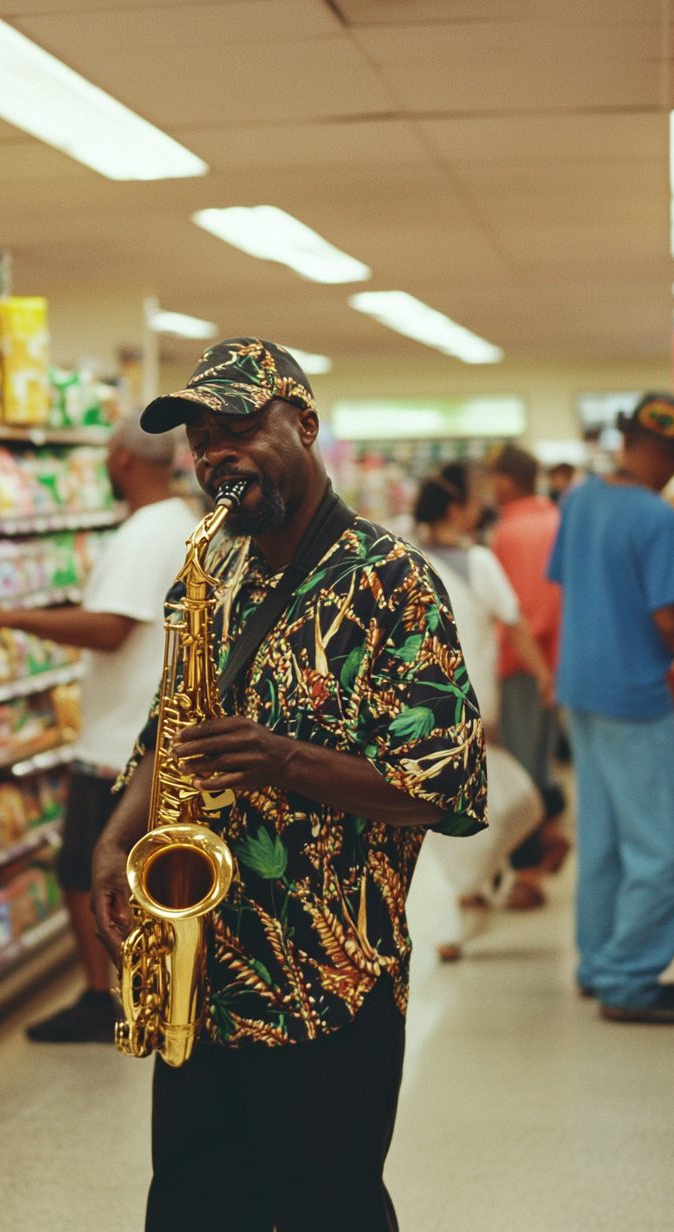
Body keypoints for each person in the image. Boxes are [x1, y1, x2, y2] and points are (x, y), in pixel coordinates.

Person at [91, 338, 487, 1232]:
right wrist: (118, 837)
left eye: (237, 429)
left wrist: (282, 760)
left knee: (328, 1208)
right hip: (204, 960)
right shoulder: (216, 567)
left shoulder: (394, 583)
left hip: (331, 978)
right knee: (192, 1203)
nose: (214, 456)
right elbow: (169, 725)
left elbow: (446, 785)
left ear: (305, 426)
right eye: (200, 439)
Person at [0, 413, 197, 1042]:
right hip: (142, 732)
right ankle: (138, 989)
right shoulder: (180, 522)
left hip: (119, 742)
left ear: (120, 458)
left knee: (87, 871)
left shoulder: (144, 533)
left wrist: (7, 617)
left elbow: (110, 629)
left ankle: (105, 998)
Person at [547, 392, 674, 1024]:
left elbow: (571, 583)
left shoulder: (579, 499)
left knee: (608, 840)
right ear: (666, 450)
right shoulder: (656, 516)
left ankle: (598, 963)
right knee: (670, 851)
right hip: (633, 696)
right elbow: (669, 619)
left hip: (580, 688)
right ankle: (627, 979)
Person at [416, 465, 548, 958]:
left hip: (422, 709)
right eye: (476, 498)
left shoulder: (404, 557)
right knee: (502, 798)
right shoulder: (478, 562)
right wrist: (542, 673)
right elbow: (513, 623)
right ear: (457, 507)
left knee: (446, 805)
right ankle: (466, 898)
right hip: (474, 701)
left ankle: (470, 891)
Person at [488, 444, 567, 907]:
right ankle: (552, 835)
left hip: (522, 663)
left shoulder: (511, 531)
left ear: (504, 481)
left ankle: (529, 873)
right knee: (538, 760)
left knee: (519, 766)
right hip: (556, 660)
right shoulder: (553, 520)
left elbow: (522, 610)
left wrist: (509, 660)